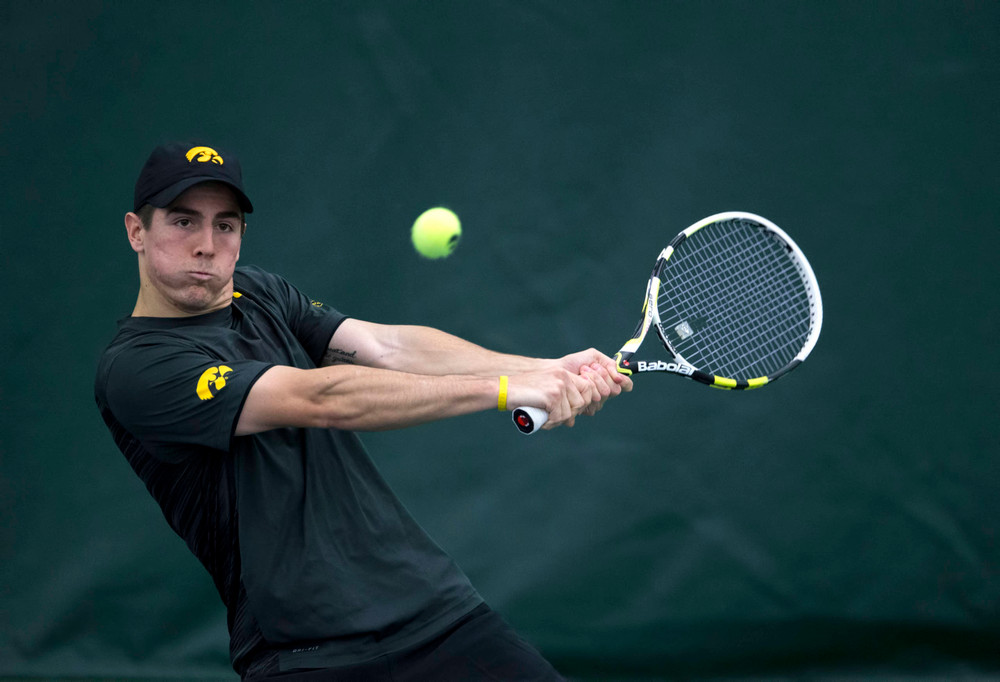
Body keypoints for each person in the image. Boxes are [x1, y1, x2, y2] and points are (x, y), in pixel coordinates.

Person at [94, 142, 631, 681]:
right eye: (183, 221)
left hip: (435, 612)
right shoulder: (136, 369)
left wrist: (545, 368)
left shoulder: (259, 293)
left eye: (225, 225)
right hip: (305, 652)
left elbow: (386, 347)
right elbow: (321, 398)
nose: (207, 245)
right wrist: (506, 388)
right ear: (136, 231)